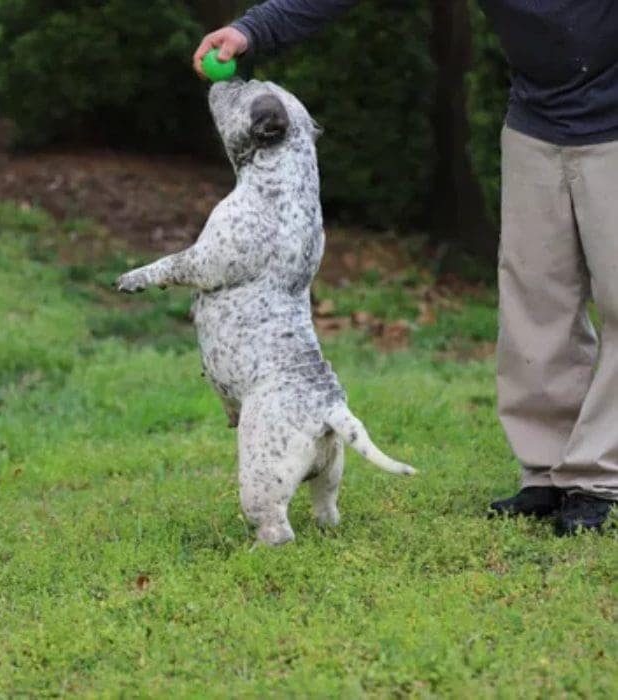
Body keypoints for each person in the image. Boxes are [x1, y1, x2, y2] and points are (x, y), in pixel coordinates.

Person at [193, 1, 618, 536]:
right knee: (536, 301)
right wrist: (250, 31)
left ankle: (599, 479)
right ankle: (550, 472)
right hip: (536, 126)